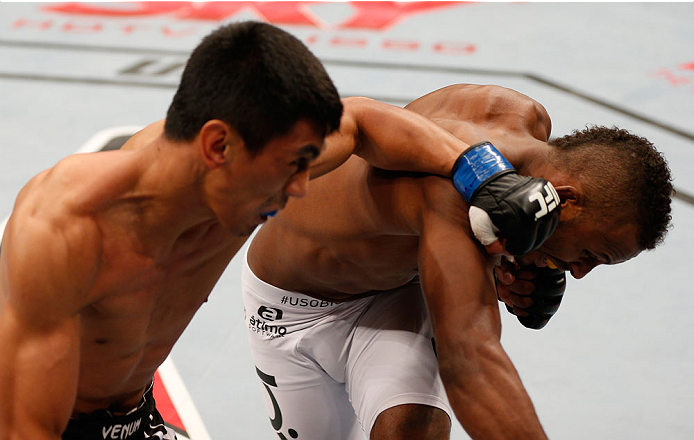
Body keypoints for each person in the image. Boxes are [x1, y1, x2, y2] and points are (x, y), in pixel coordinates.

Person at [0, 21, 522, 439]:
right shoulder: (65, 231)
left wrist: (482, 174)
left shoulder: (242, 170)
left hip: (137, 418)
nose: (300, 188)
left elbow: (362, 122)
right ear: (218, 146)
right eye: (292, 165)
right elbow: (25, 428)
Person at [242, 83, 673, 439]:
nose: (578, 271)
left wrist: (510, 256)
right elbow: (470, 359)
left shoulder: (523, 116)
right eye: (592, 255)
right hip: (288, 309)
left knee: (413, 430)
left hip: (395, 296)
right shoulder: (452, 197)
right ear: (564, 199)